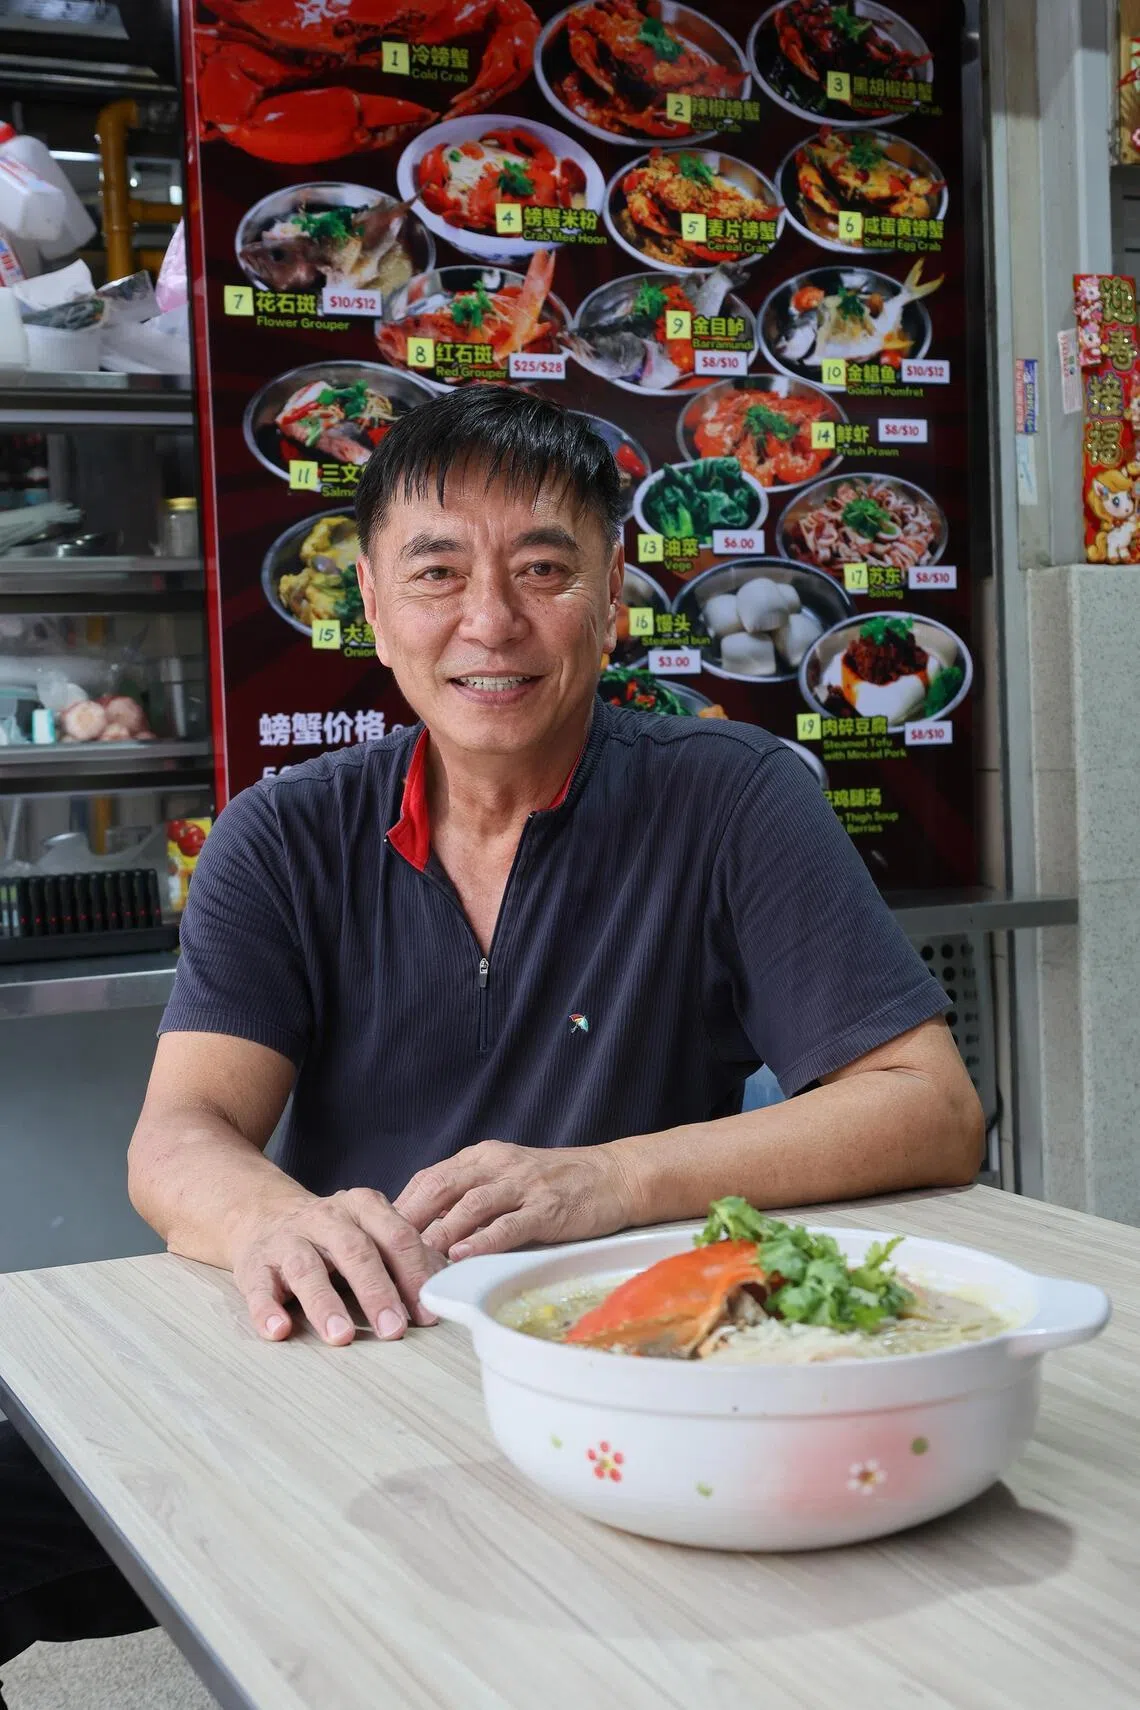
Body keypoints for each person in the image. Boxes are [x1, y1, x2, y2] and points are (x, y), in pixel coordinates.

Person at [0, 387, 982, 1695]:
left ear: (613, 597)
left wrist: (609, 1179)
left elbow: (928, 1104)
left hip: (622, 1358)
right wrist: (281, 1225)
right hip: (345, 1349)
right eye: (437, 572)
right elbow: (182, 1136)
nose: (490, 622)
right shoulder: (282, 834)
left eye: (542, 570)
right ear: (370, 600)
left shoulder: (733, 799)